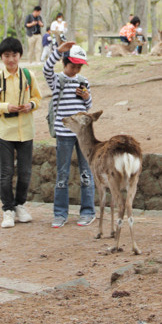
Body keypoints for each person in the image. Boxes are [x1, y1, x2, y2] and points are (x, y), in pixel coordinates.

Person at [0, 37, 41, 228]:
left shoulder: (28, 76)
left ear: (20, 56)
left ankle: (20, 205)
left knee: (25, 172)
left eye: (14, 55)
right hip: (4, 131)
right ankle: (7, 210)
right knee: (6, 172)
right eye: (7, 55)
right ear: (1, 57)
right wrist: (7, 107)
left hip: (26, 130)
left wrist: (31, 105)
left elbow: (37, 98)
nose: (11, 59)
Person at [44, 40, 95, 228]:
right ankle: (60, 213)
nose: (76, 70)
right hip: (64, 133)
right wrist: (57, 51)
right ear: (65, 63)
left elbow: (88, 107)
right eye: (73, 66)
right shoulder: (58, 80)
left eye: (79, 67)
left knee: (86, 173)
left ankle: (88, 211)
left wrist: (86, 97)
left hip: (82, 135)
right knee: (62, 174)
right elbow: (46, 70)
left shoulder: (83, 81)